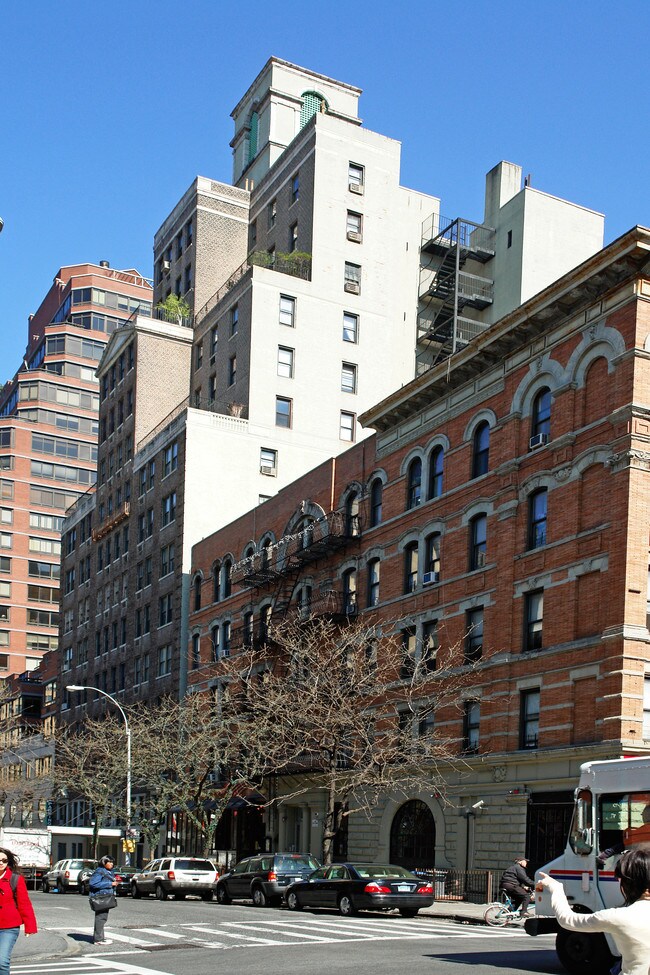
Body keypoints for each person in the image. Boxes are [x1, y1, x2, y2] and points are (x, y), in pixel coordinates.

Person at [538, 847, 650, 975]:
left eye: (620, 879)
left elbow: (567, 920)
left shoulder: (617, 916)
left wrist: (556, 888)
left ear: (629, 884)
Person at [0, 846, 37, 974]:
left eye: (4, 861)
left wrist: (30, 926)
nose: (1, 863)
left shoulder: (15, 878)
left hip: (8, 927)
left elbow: (24, 903)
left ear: (8, 862)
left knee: (1, 961)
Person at [88, 855, 117, 945]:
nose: (112, 864)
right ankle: (98, 940)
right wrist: (110, 883)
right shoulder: (100, 871)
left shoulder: (107, 871)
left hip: (105, 896)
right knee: (101, 918)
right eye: (110, 862)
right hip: (100, 897)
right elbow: (93, 883)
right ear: (104, 862)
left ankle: (100, 938)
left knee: (102, 917)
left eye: (112, 862)